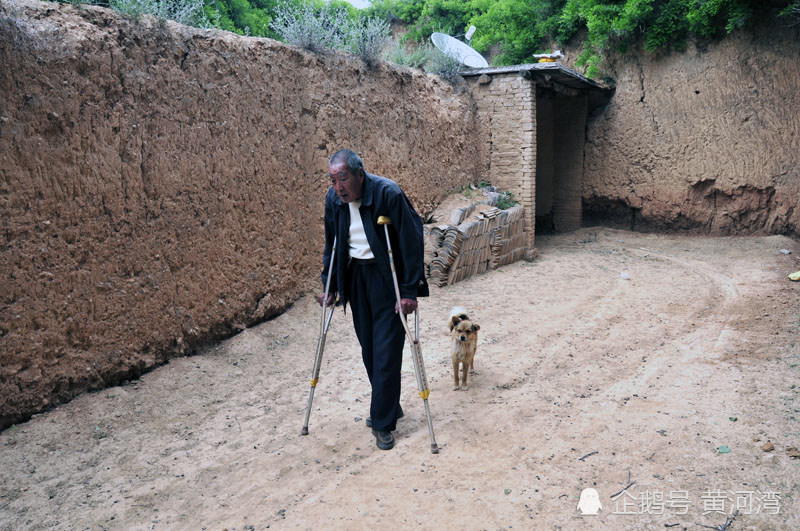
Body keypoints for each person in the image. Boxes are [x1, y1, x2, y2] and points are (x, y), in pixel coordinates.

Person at [318, 149, 429, 450]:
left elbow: (411, 239)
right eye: (332, 180)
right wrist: (329, 283)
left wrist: (408, 291)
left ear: (359, 175)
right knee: (369, 347)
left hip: (387, 278)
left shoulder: (387, 194)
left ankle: (382, 422)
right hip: (356, 277)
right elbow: (332, 243)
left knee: (386, 351)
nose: (338, 187)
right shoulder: (334, 201)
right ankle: (390, 403)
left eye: (343, 179)